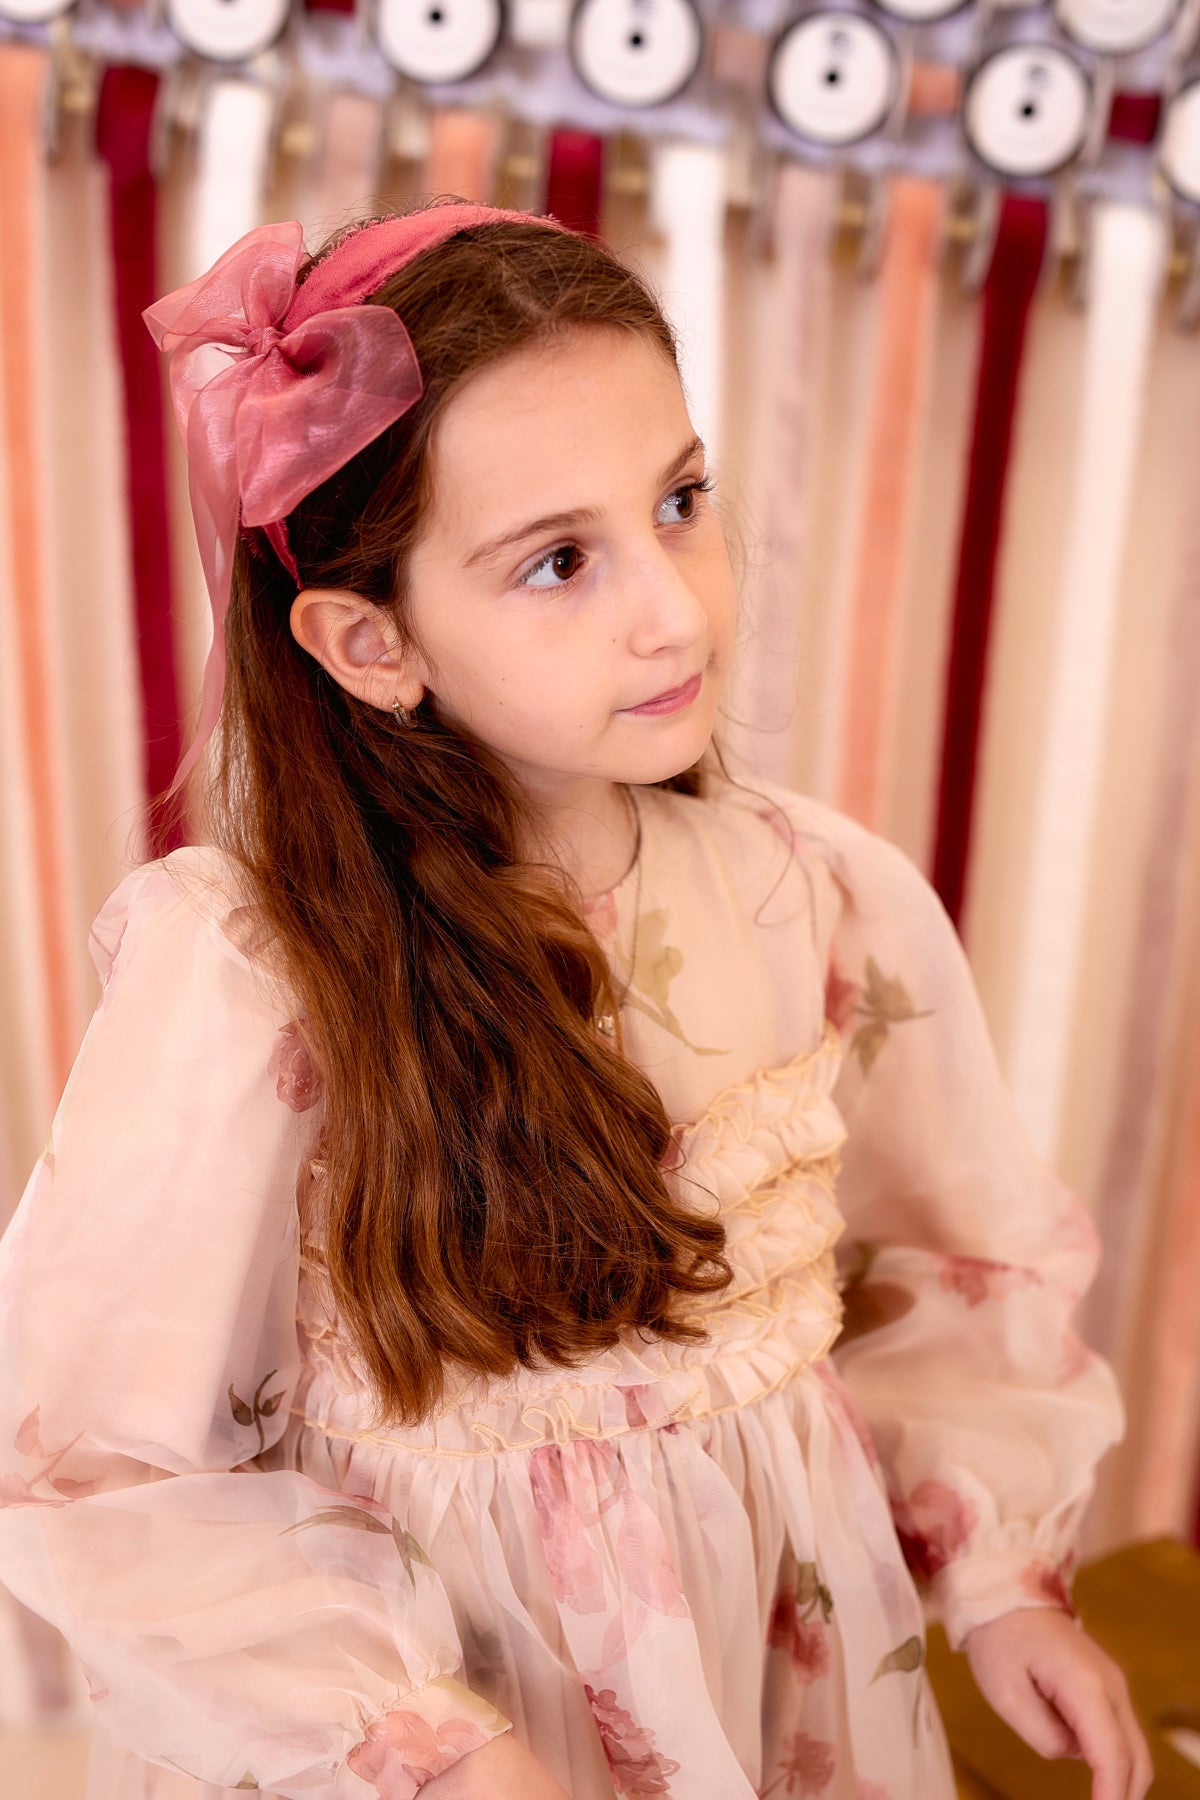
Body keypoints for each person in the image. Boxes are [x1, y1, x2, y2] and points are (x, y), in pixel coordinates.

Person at [0, 200, 1151, 1800]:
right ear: (370, 642)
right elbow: (89, 1467)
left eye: (678, 501)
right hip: (456, 1730)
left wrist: (998, 1576)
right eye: (558, 561)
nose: (673, 606)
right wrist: (436, 1750)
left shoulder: (811, 895)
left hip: (777, 1683)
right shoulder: (255, 976)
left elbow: (945, 1267)